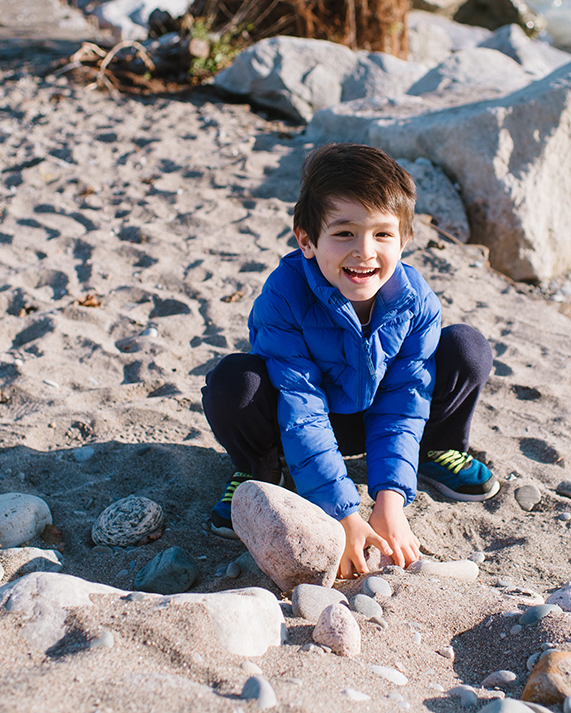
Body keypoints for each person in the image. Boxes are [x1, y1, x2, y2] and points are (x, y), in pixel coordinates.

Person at [201, 142, 498, 578]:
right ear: (306, 240)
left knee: (465, 348)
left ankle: (436, 450)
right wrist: (344, 517)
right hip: (300, 418)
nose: (364, 251)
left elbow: (405, 398)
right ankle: (262, 471)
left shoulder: (417, 302)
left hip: (377, 410)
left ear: (405, 239)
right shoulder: (283, 296)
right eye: (343, 233)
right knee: (235, 383)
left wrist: (389, 501)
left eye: (382, 234)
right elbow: (300, 405)